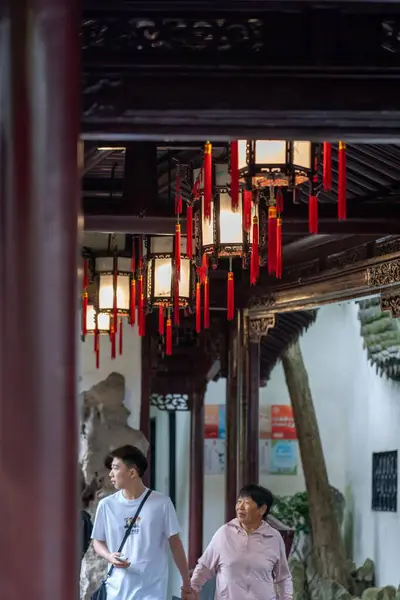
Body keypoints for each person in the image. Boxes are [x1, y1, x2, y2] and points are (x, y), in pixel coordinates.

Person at [92, 444, 193, 600]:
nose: (111, 474)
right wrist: (109, 556)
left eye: (115, 468)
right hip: (117, 591)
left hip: (153, 591)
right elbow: (97, 541)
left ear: (132, 472)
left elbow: (175, 544)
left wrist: (186, 584)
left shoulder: (162, 504)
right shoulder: (106, 505)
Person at [189, 484, 293, 600]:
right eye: (239, 502)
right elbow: (204, 567)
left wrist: (287, 598)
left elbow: (283, 577)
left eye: (247, 503)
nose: (240, 507)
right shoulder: (224, 533)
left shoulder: (274, 537)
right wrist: (192, 588)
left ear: (262, 509)